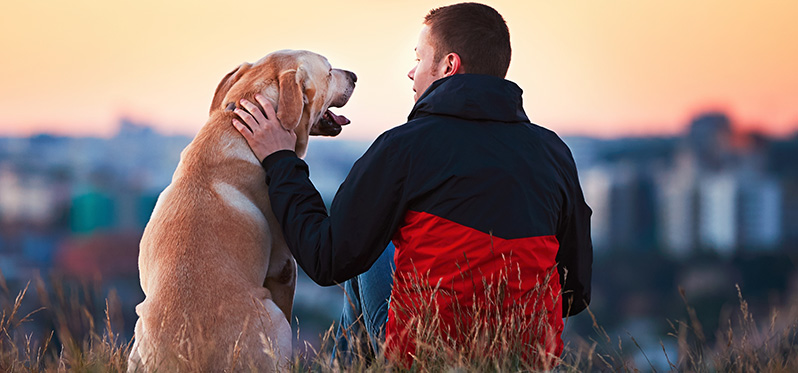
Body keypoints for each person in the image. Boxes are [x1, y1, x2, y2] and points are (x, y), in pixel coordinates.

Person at [231, 2, 592, 367]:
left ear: (448, 66)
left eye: (419, 58)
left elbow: (325, 259)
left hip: (425, 359)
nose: (410, 72)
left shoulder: (404, 147)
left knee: (365, 257)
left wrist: (280, 160)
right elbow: (575, 293)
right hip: (527, 361)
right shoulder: (554, 154)